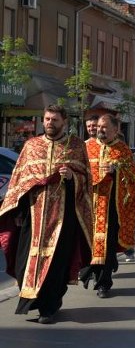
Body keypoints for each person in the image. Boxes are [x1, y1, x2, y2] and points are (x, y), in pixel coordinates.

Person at [0, 105, 94, 324]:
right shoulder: (31, 145)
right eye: (47, 119)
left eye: (54, 120)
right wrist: (18, 210)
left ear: (64, 122)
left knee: (57, 263)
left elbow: (86, 181)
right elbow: (18, 180)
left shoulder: (77, 146)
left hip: (63, 216)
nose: (50, 123)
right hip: (33, 214)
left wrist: (72, 177)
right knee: (25, 262)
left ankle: (49, 307)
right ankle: (33, 299)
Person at [82, 114, 135, 298]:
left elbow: (134, 178)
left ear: (116, 130)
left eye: (105, 127)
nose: (100, 130)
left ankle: (103, 283)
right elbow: (80, 173)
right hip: (91, 206)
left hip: (112, 209)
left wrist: (117, 171)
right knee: (90, 243)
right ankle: (89, 270)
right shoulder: (87, 147)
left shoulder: (122, 149)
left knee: (106, 245)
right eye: (99, 126)